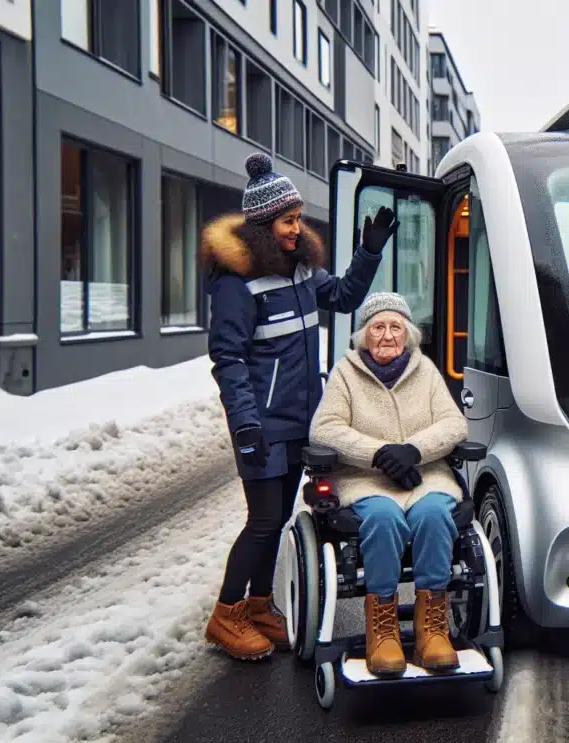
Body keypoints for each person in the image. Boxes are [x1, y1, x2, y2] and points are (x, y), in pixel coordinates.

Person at [201, 152, 397, 661]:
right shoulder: (236, 282)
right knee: (262, 520)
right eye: (288, 220)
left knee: (283, 515)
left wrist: (369, 252)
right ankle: (226, 614)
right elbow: (228, 358)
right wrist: (245, 423)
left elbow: (347, 297)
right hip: (261, 425)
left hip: (299, 423)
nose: (297, 228)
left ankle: (260, 604)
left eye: (298, 218)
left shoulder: (302, 272)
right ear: (265, 225)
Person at [309, 292, 469, 676]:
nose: (386, 335)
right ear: (364, 335)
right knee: (383, 518)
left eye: (395, 327)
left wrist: (413, 451)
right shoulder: (345, 374)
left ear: (407, 333)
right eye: (378, 327)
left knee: (433, 514)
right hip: (367, 480)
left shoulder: (426, 370)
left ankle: (432, 628)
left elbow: (454, 424)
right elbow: (324, 429)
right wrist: (380, 454)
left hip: (424, 475)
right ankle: (382, 630)